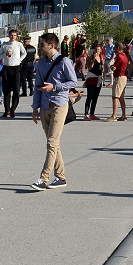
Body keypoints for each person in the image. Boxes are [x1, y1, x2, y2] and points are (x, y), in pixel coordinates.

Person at [30, 32, 78, 191]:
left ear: (51, 45)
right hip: (44, 106)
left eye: (42, 44)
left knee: (51, 142)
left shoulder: (64, 61)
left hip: (59, 104)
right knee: (54, 144)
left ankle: (43, 179)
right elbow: (37, 86)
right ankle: (61, 177)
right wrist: (35, 108)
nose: (40, 46)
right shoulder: (40, 63)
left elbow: (73, 81)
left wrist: (55, 87)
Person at [0, 29, 27, 117]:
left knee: (16, 91)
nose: (13, 37)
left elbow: (24, 53)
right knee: (6, 91)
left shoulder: (19, 45)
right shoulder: (4, 45)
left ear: (17, 36)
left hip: (16, 69)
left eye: (14, 35)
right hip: (7, 69)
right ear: (9, 36)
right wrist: (5, 55)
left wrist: (19, 60)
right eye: (11, 35)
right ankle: (7, 109)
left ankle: (13, 109)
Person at [108, 42, 130, 121]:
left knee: (115, 96)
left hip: (120, 77)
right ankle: (123, 114)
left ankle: (114, 115)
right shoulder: (124, 56)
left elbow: (114, 67)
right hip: (124, 77)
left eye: (114, 48)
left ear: (117, 49)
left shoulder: (120, 57)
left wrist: (110, 65)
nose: (114, 50)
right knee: (121, 97)